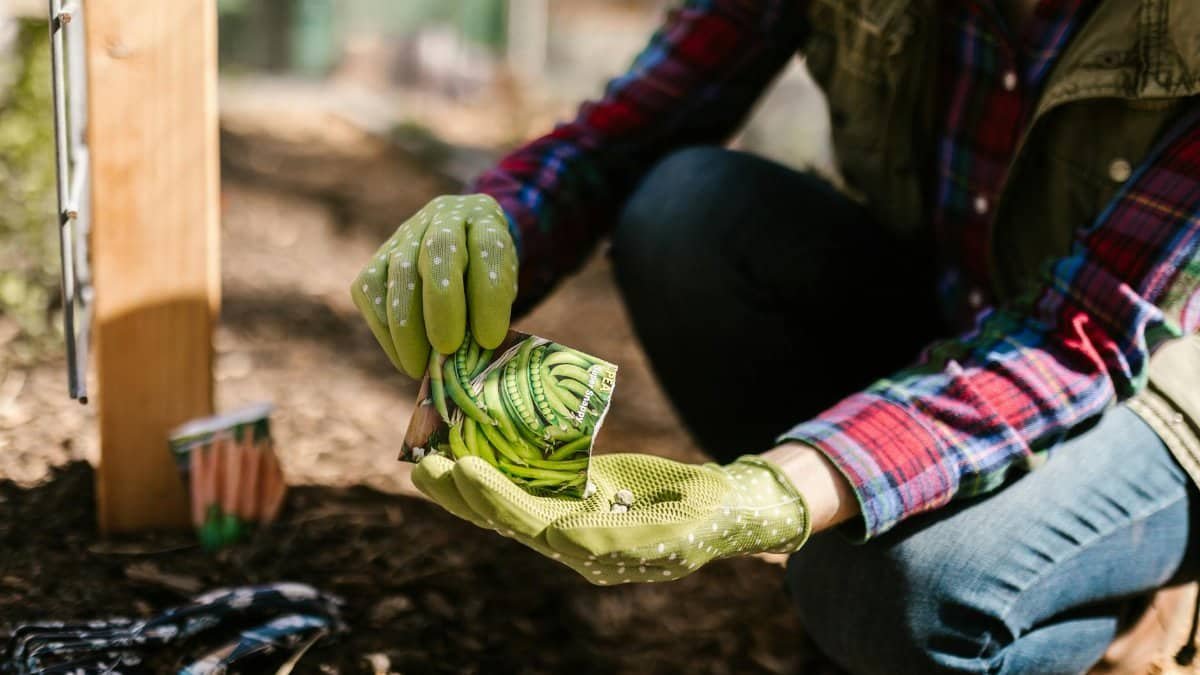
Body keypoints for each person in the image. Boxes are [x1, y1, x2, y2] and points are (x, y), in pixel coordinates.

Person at [351, 1, 1200, 672]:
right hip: (950, 320)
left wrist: (772, 494)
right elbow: (635, 126)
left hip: (1148, 385)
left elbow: (1071, 336)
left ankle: (1117, 600)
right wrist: (499, 229)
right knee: (686, 209)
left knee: (893, 593)